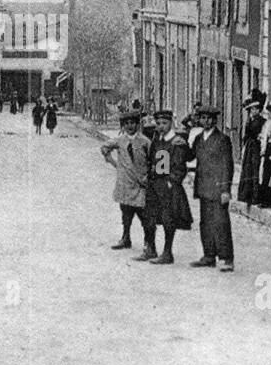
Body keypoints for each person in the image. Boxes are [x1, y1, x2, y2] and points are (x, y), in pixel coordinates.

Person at [140, 110, 193, 264]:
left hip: (168, 186)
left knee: (168, 218)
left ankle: (167, 252)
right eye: (159, 124)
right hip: (154, 184)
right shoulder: (157, 140)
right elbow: (152, 161)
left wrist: (172, 182)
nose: (161, 126)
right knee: (149, 216)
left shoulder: (177, 141)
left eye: (164, 123)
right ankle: (151, 249)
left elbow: (180, 166)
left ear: (171, 123)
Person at [191, 106, 235, 271]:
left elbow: (227, 165)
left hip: (217, 189)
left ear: (215, 120)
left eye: (209, 118)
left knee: (221, 223)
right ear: (199, 120)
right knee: (206, 223)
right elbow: (190, 155)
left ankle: (227, 258)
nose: (206, 121)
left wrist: (225, 190)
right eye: (203, 118)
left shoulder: (222, 139)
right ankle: (208, 255)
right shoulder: (198, 139)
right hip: (203, 187)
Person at [100, 109, 151, 251]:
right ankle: (125, 238)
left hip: (140, 183)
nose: (130, 126)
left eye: (133, 123)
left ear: (138, 124)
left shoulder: (145, 141)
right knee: (126, 214)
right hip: (125, 183)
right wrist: (112, 161)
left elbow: (152, 160)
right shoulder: (120, 140)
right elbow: (104, 147)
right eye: (126, 123)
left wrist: (147, 176)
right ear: (123, 125)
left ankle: (148, 241)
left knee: (144, 215)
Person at [238, 95, 266, 205]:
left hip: (257, 147)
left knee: (255, 170)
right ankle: (246, 195)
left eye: (256, 109)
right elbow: (246, 135)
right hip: (250, 147)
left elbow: (263, 135)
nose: (253, 111)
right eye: (252, 109)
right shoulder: (249, 121)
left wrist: (260, 138)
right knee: (247, 169)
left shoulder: (263, 121)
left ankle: (255, 196)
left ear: (259, 110)